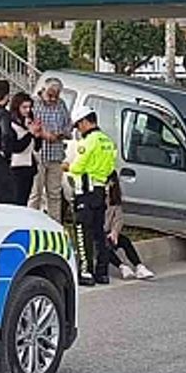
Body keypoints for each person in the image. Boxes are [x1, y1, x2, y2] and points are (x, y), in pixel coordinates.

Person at [64, 105, 117, 285]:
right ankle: (102, 273)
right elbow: (110, 169)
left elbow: (77, 167)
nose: (78, 130)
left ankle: (86, 272)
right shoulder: (108, 141)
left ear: (86, 121)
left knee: (82, 232)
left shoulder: (88, 142)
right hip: (100, 191)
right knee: (99, 234)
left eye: (78, 125)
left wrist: (66, 166)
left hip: (85, 192)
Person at [29, 79, 72, 219]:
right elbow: (27, 125)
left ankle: (55, 225)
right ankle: (31, 224)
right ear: (44, 90)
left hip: (56, 155)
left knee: (54, 194)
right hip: (38, 155)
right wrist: (42, 133)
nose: (53, 98)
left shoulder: (61, 105)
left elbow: (68, 125)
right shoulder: (34, 103)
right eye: (50, 94)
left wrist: (61, 133)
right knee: (35, 194)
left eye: (56, 95)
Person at [105, 174, 155, 280]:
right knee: (103, 246)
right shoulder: (97, 199)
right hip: (98, 233)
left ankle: (139, 266)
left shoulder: (114, 200)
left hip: (110, 232)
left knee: (125, 241)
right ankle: (122, 267)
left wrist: (115, 232)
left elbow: (119, 218)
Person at [9, 92, 43, 207]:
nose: (27, 110)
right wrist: (30, 133)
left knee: (25, 200)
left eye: (29, 107)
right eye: (24, 107)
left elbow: (36, 147)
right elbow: (16, 147)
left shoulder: (29, 121)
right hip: (16, 166)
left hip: (29, 166)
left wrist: (37, 136)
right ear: (16, 107)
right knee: (17, 200)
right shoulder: (10, 124)